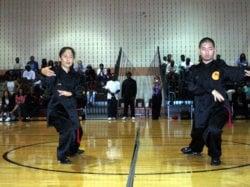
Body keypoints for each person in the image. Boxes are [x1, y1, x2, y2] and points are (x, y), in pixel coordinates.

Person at [181, 37, 250, 166]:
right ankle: (195, 148)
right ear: (199, 51)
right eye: (204, 49)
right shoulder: (194, 70)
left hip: (220, 107)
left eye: (210, 49)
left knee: (213, 129)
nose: (207, 52)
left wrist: (247, 73)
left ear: (214, 50)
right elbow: (190, 86)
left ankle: (215, 155)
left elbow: (235, 72)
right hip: (202, 108)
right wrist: (211, 91)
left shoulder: (221, 67)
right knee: (197, 132)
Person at [41, 47, 84, 164]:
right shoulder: (53, 72)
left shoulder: (77, 76)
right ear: (60, 58)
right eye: (65, 56)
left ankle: (73, 150)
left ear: (73, 59)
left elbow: (80, 91)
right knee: (67, 129)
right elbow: (46, 85)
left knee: (78, 130)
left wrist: (72, 93)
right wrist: (42, 72)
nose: (68, 59)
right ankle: (62, 156)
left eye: (70, 56)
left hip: (70, 110)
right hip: (56, 110)